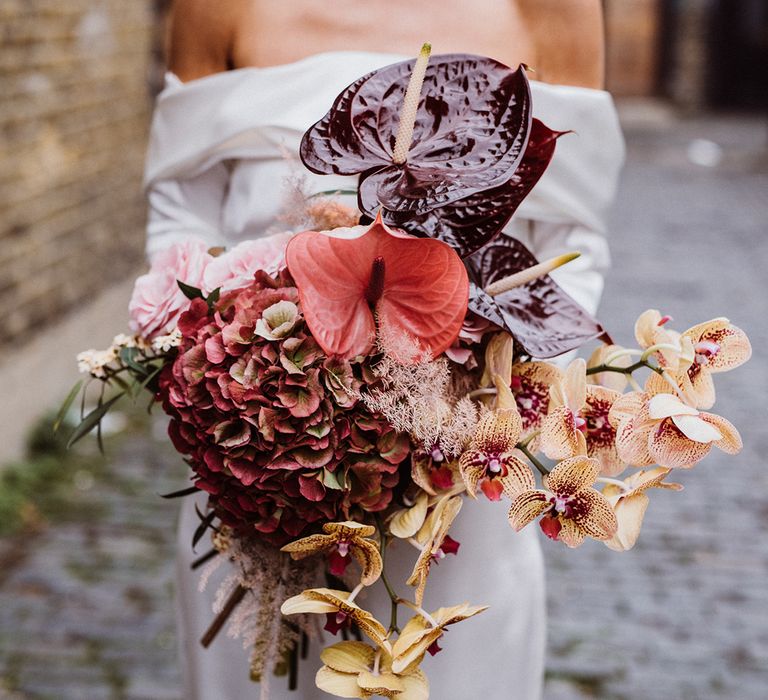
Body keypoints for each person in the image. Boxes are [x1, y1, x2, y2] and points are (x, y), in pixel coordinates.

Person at [144, 1, 624, 697]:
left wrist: (453, 385)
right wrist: (252, 370)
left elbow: (570, 246)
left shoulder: (551, 9)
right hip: (260, 476)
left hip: (455, 483)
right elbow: (179, 222)